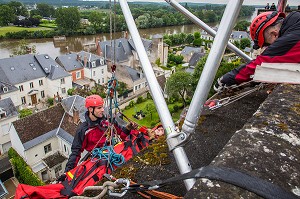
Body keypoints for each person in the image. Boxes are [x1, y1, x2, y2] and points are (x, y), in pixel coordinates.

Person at [214, 11, 300, 91]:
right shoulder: (295, 25)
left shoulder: (290, 40)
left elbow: (261, 64)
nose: (269, 49)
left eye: (268, 45)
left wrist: (226, 80)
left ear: (274, 34)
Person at [64, 95, 136, 172]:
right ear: (91, 109)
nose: (102, 110)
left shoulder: (108, 121)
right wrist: (67, 172)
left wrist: (128, 129)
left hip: (113, 153)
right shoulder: (84, 130)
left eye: (102, 107)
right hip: (97, 161)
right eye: (99, 108)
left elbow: (122, 134)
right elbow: (76, 152)